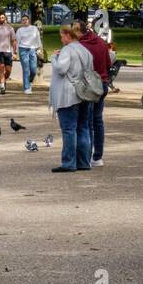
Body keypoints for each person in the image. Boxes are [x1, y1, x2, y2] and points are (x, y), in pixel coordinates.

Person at [49, 23, 94, 172]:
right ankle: (84, 162)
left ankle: (69, 163)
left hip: (68, 94)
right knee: (83, 128)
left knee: (69, 129)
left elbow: (61, 69)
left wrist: (54, 58)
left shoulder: (67, 50)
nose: (61, 39)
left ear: (68, 35)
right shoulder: (85, 50)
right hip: (84, 93)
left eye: (62, 36)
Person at [76, 19, 112, 167]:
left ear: (80, 31)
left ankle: (87, 155)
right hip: (102, 84)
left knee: (88, 122)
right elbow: (108, 63)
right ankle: (98, 157)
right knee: (98, 121)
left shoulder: (80, 46)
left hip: (90, 86)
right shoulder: (101, 42)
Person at [0, 11, 17, 94]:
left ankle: (3, 80)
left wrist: (15, 52)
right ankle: (2, 87)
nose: (1, 19)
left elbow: (14, 40)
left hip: (8, 52)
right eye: (0, 17)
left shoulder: (10, 28)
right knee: (1, 69)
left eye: (2, 17)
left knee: (8, 70)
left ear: (5, 18)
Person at [15, 15, 42, 94]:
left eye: (26, 19)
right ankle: (27, 88)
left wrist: (39, 48)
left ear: (29, 20)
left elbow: (38, 38)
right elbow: (17, 42)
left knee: (33, 69)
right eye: (23, 20)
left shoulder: (34, 28)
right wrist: (16, 52)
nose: (24, 21)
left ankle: (29, 81)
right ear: (21, 21)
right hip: (23, 49)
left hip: (33, 49)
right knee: (26, 69)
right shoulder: (20, 30)